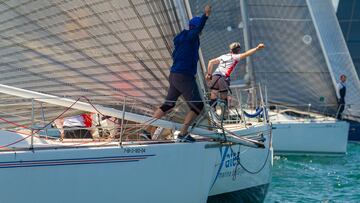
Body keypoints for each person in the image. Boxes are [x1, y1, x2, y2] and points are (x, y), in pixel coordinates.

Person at [140, 5, 212, 142]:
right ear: (195, 28)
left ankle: (147, 130)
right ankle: (183, 133)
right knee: (198, 105)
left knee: (168, 104)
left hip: (174, 75)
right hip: (184, 76)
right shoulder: (191, 37)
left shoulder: (181, 39)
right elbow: (198, 29)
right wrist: (206, 15)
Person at [205, 42, 265, 110]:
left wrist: (209, 74)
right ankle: (225, 116)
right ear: (238, 50)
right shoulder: (235, 57)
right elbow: (247, 54)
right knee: (223, 98)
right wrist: (257, 48)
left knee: (214, 95)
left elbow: (210, 62)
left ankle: (212, 112)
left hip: (215, 76)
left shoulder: (223, 56)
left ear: (230, 49)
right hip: (223, 77)